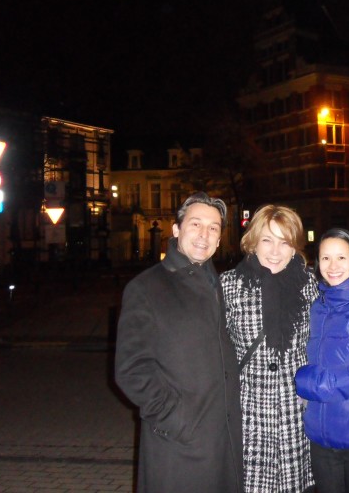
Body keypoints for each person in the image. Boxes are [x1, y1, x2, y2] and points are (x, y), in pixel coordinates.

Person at [114, 192, 242, 493]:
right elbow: (132, 369)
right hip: (179, 446)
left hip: (224, 442)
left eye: (213, 228)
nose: (204, 234)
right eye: (195, 224)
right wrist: (175, 418)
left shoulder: (220, 285)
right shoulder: (147, 287)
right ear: (176, 229)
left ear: (220, 239)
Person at [221, 204, 319, 492]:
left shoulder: (311, 286)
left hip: (296, 414)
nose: (275, 251)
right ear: (253, 242)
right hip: (248, 414)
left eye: (284, 242)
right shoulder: (228, 286)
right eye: (267, 240)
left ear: (295, 248)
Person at [295, 228, 349, 493]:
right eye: (325, 258)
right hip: (320, 437)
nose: (332, 266)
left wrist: (306, 382)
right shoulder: (318, 305)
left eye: (341, 258)